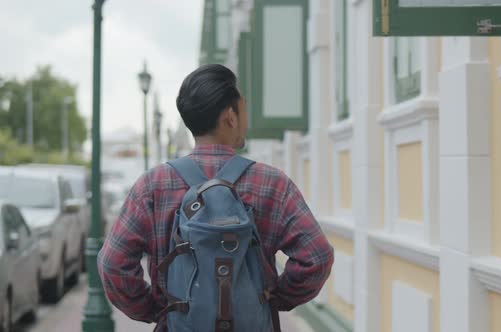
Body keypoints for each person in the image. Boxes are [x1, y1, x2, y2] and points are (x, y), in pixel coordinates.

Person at [97, 64, 334, 330]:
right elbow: (317, 257)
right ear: (230, 116)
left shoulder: (152, 185)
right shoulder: (272, 183)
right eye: (243, 107)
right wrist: (270, 298)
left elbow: (113, 265)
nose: (246, 116)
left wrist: (160, 309)